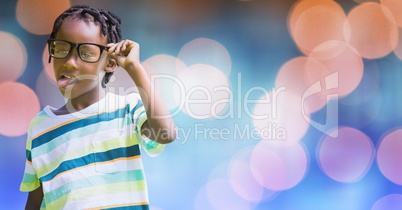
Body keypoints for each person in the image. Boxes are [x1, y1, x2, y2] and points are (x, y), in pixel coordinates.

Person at [20, 5, 176, 210]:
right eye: (61, 49)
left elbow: (166, 133)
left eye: (86, 53)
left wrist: (135, 68)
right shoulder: (40, 127)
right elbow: (35, 200)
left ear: (110, 63)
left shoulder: (126, 108)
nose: (70, 62)